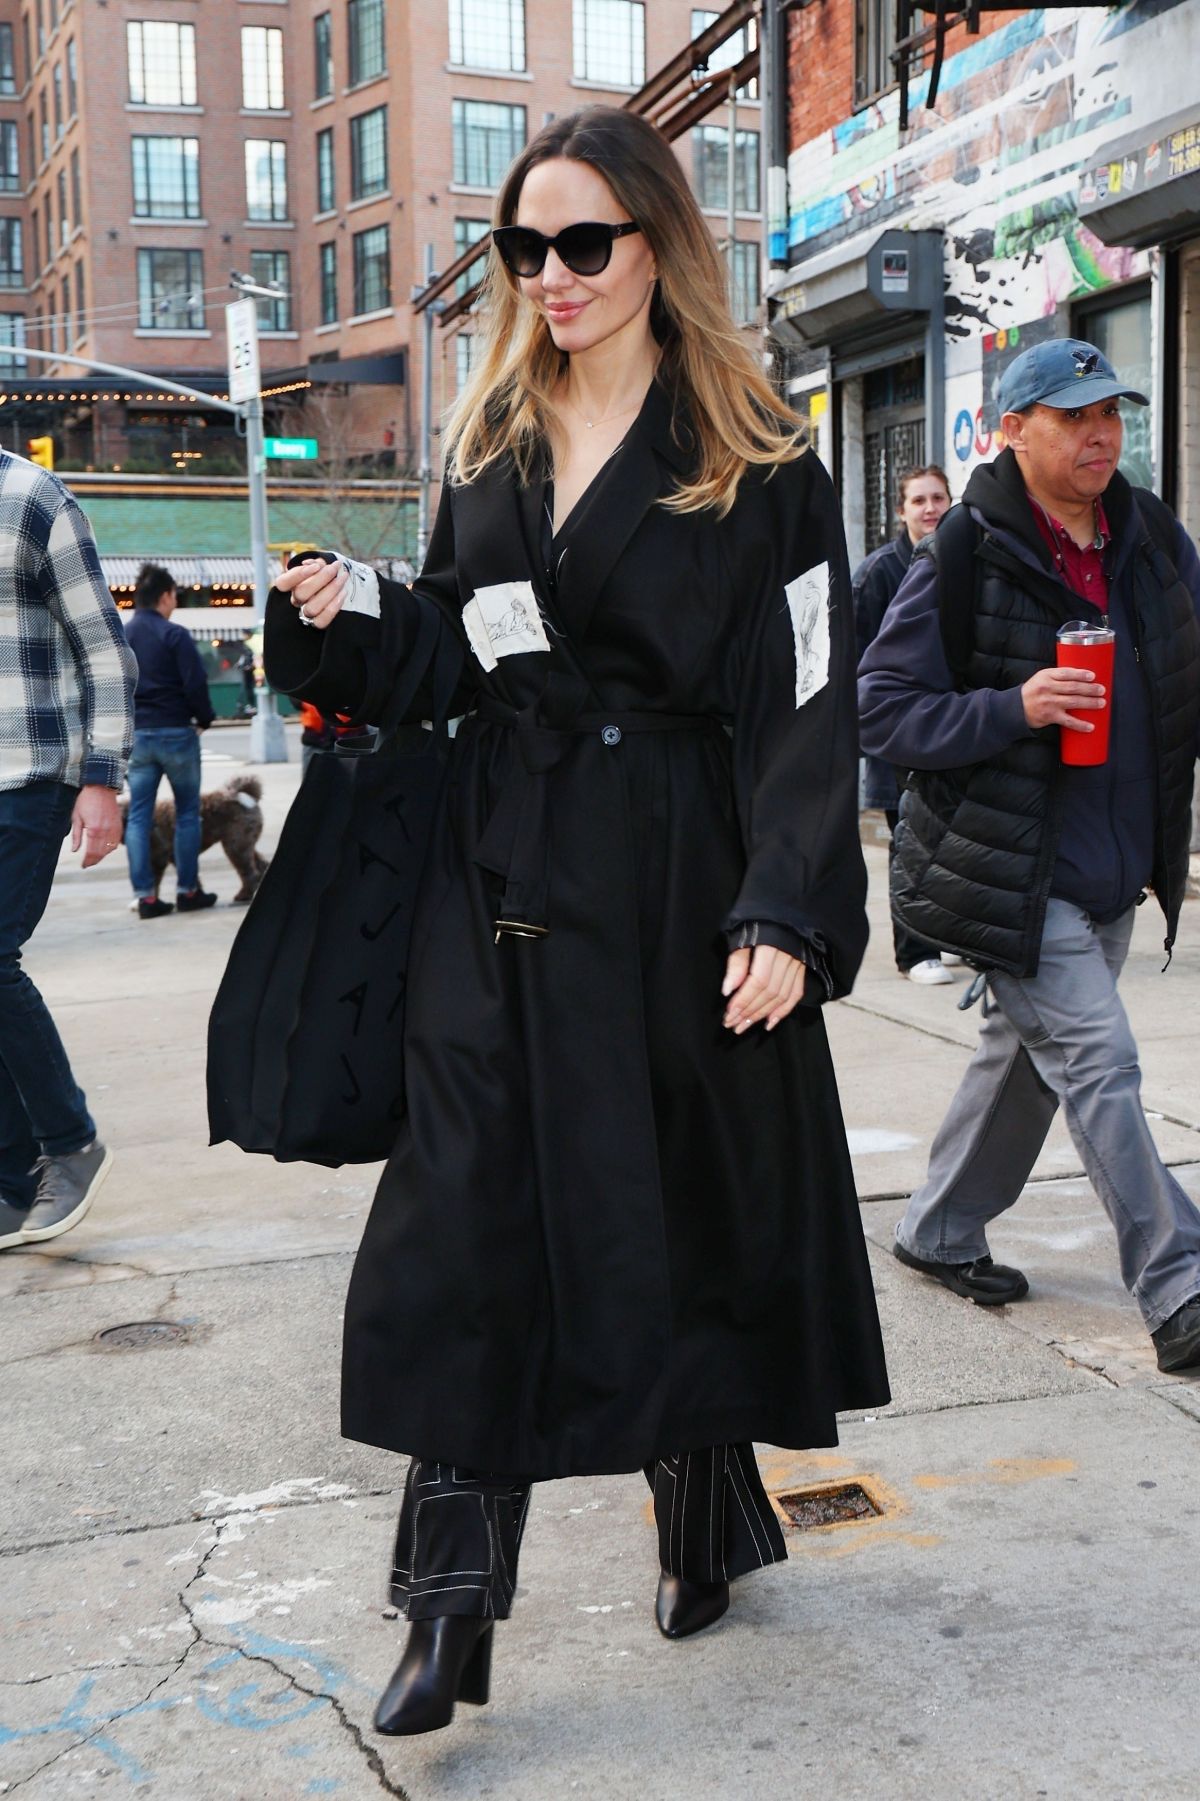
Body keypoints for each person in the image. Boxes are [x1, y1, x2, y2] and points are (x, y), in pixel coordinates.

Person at [263, 106, 888, 1736]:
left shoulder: (759, 453)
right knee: (467, 1230)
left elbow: (812, 699)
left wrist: (789, 907)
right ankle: (448, 1613)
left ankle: (706, 1511)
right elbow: (459, 656)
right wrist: (346, 628)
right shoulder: (489, 444)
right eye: (521, 248)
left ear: (659, 244)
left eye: (583, 242)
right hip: (506, 882)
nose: (550, 276)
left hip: (685, 890)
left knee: (669, 1214)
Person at [858, 336, 1200, 1372]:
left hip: (1113, 869)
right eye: (1074, 416)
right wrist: (1014, 707)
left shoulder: (1151, 538)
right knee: (1100, 1060)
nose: (1102, 435)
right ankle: (1181, 1283)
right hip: (1015, 874)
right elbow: (882, 708)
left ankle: (940, 1226)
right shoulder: (968, 549)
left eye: (1113, 415)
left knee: (1029, 1061)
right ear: (1015, 430)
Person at [0, 446, 135, 1255]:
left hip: (30, 774)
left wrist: (102, 778)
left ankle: (71, 1143)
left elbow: (105, 650)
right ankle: (13, 1183)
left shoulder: (34, 498)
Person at [852, 465, 954, 985]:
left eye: (938, 498)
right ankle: (915, 953)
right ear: (902, 511)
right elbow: (856, 664)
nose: (930, 508)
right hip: (899, 735)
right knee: (910, 843)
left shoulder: (961, 561)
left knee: (952, 842)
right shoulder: (877, 575)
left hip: (952, 726)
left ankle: (946, 937)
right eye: (919, 500)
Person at [123, 563, 217, 918]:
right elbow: (195, 682)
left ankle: (145, 896)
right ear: (164, 596)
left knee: (138, 817)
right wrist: (205, 718)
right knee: (188, 813)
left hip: (138, 735)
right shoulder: (174, 634)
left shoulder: (123, 635)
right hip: (176, 732)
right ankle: (187, 890)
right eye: (175, 595)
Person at [235, 630, 257, 718]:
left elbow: (253, 655)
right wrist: (240, 664)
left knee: (250, 688)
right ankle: (249, 705)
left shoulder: (251, 644)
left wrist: (250, 665)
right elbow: (244, 656)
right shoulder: (246, 644)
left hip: (254, 671)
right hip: (247, 671)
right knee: (247, 688)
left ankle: (252, 705)